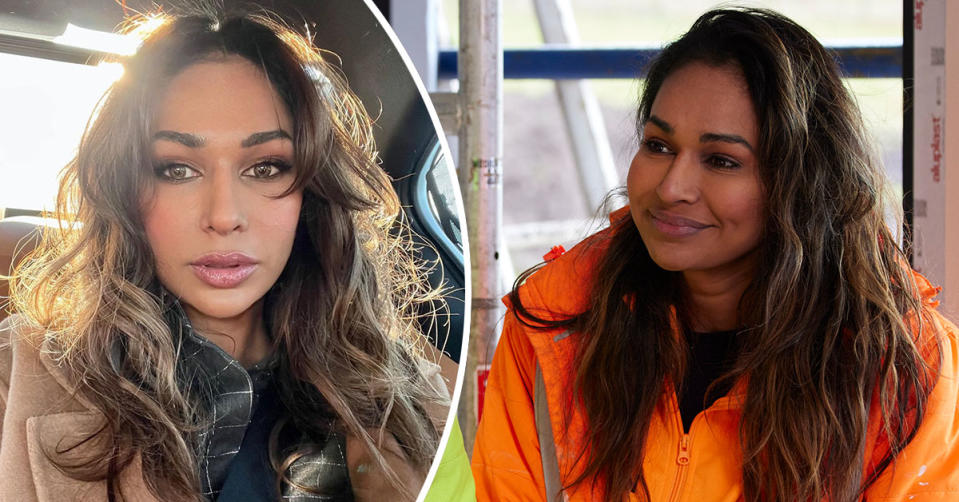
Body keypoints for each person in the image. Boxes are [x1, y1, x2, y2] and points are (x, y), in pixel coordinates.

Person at [471, 7, 959, 502]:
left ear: (800, 183)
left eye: (721, 160)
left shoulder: (901, 365)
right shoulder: (555, 325)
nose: (672, 187)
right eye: (658, 146)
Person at [0, 9, 456, 502]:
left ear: (312, 192)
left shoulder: (414, 385)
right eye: (175, 169)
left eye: (266, 167)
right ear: (125, 189)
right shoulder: (14, 378)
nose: (223, 216)